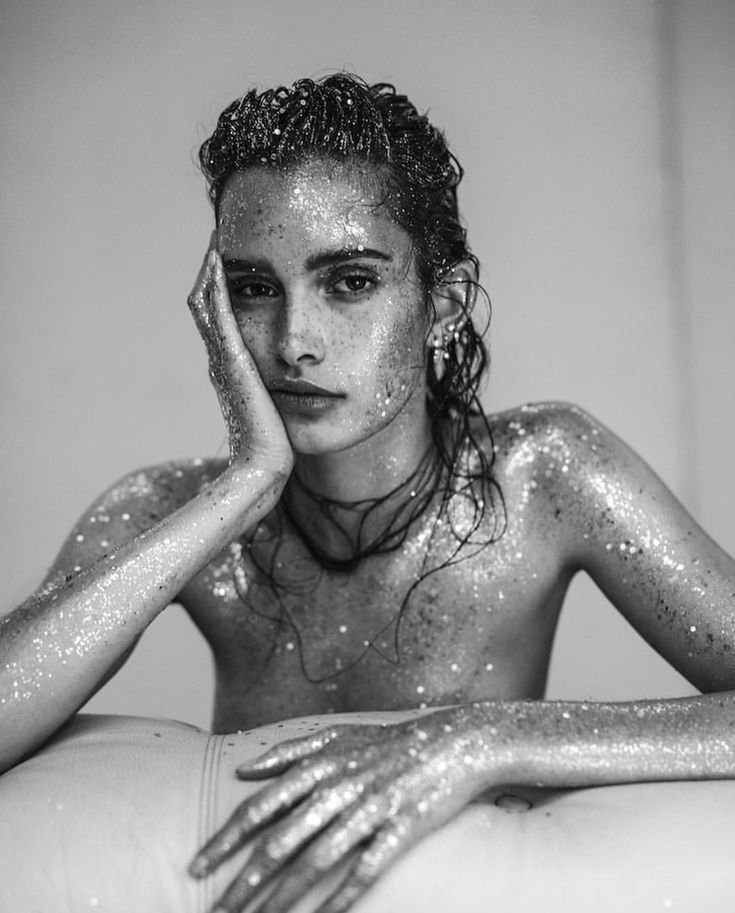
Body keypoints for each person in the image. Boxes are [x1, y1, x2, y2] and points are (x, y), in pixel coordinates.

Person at [1, 73, 734, 913]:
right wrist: (243, 487)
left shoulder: (547, 474)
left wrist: (479, 739)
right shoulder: (169, 512)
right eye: (252, 287)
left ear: (443, 304)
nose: (293, 342)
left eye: (348, 281)